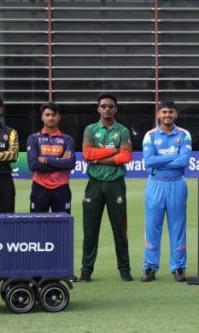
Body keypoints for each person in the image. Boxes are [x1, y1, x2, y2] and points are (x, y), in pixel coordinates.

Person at [80, 93, 134, 282]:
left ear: (115, 109)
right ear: (98, 109)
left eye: (110, 106)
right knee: (90, 229)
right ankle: (86, 270)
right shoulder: (90, 130)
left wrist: (99, 157)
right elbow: (87, 154)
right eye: (103, 106)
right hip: (94, 183)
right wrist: (112, 151)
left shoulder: (123, 131)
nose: (107, 109)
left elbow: (125, 157)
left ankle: (124, 269)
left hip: (116, 184)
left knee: (120, 229)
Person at [140, 101, 192, 283]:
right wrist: (173, 156)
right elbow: (149, 161)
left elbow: (183, 161)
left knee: (177, 227)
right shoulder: (150, 135)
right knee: (152, 227)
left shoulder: (184, 134)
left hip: (177, 183)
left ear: (176, 114)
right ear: (158, 114)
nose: (167, 115)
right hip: (155, 183)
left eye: (170, 112)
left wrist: (160, 159)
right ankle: (149, 268)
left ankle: (178, 267)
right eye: (164, 112)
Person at [26, 102, 76, 213]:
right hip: (40, 188)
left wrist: (46, 160)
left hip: (61, 188)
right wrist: (60, 163)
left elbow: (70, 164)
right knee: (37, 227)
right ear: (42, 117)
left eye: (54, 115)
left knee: (62, 228)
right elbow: (33, 165)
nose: (51, 117)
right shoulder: (34, 138)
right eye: (47, 115)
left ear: (59, 117)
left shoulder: (67, 139)